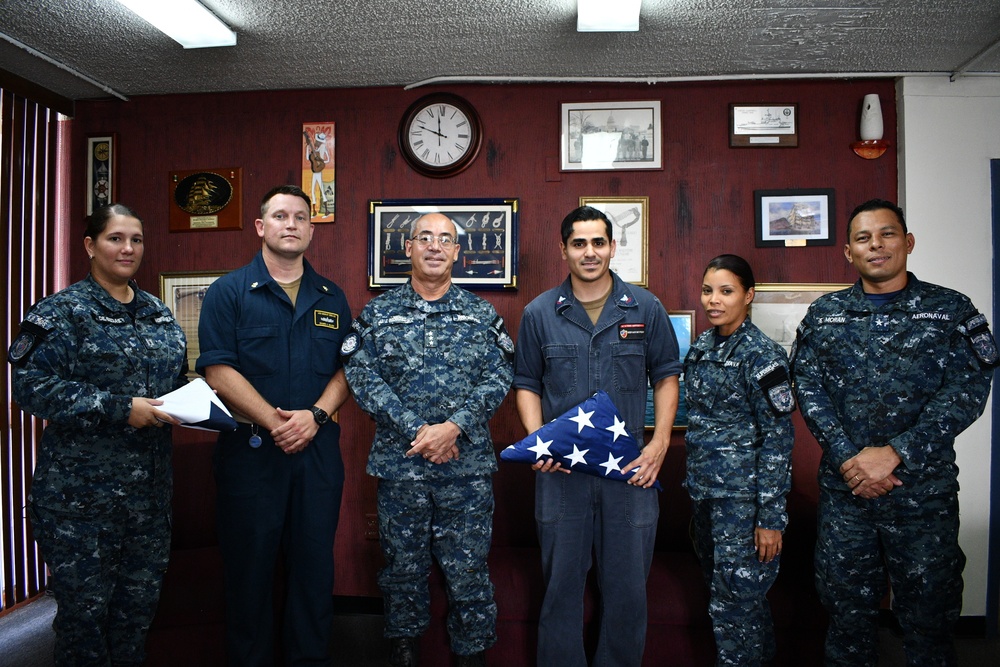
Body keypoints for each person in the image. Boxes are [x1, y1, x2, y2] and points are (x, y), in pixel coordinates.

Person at [791, 198, 996, 666]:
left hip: (922, 497)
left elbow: (967, 389)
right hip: (848, 496)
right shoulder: (825, 314)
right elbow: (807, 386)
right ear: (847, 252)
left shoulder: (950, 311)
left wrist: (896, 453)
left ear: (908, 242)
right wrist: (849, 458)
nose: (876, 245)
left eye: (886, 234)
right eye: (863, 238)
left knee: (930, 620)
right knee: (846, 620)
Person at [7, 204, 188, 665]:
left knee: (135, 618)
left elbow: (174, 383)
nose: (128, 248)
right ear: (90, 245)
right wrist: (119, 408)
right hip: (80, 504)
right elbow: (30, 387)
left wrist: (198, 404)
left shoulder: (159, 315)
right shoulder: (61, 313)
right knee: (84, 623)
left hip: (148, 502)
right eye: (115, 238)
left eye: (136, 239)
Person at [513, 205, 682, 666]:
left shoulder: (644, 307)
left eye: (598, 242)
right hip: (560, 473)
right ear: (563, 249)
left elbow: (667, 374)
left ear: (612, 245)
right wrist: (537, 440)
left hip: (630, 474)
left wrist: (660, 443)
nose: (590, 252)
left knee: (628, 592)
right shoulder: (539, 312)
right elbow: (525, 382)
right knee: (560, 589)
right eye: (579, 243)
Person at [342, 212, 513, 667]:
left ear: (458, 252)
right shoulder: (378, 314)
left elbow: (499, 377)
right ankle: (404, 653)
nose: (435, 246)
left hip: (467, 470)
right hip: (402, 469)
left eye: (445, 239)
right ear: (409, 247)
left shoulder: (481, 315)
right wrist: (420, 430)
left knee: (468, 572)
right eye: (425, 238)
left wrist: (454, 426)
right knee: (402, 572)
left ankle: (471, 657)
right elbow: (361, 376)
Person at [196, 185, 352, 666]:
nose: (291, 224)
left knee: (312, 571)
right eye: (280, 216)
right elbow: (217, 370)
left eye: (300, 217)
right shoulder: (229, 291)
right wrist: (277, 422)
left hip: (317, 453)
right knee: (250, 572)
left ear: (310, 230)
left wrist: (316, 416)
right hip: (252, 454)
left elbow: (347, 370)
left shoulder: (332, 297)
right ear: (261, 227)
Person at [684, 254, 795, 666]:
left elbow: (779, 439)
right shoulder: (702, 347)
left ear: (749, 296)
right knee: (736, 601)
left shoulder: (763, 357)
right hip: (707, 498)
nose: (713, 300)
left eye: (726, 291)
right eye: (707, 290)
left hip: (744, 506)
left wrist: (769, 519)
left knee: (734, 607)